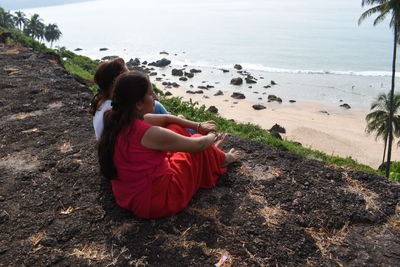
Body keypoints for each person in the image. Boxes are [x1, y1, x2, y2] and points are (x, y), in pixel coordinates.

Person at [97, 71, 239, 219]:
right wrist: (211, 135)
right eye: (151, 94)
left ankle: (212, 154)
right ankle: (222, 158)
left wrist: (198, 125)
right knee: (198, 142)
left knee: (175, 127)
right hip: (156, 200)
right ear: (138, 104)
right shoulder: (147, 133)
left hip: (131, 193)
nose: (156, 97)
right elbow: (198, 145)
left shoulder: (118, 117)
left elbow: (166, 118)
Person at [89, 57, 170, 140]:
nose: (131, 77)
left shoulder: (102, 102)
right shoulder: (117, 110)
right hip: (122, 149)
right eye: (127, 75)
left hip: (109, 149)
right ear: (117, 80)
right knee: (157, 106)